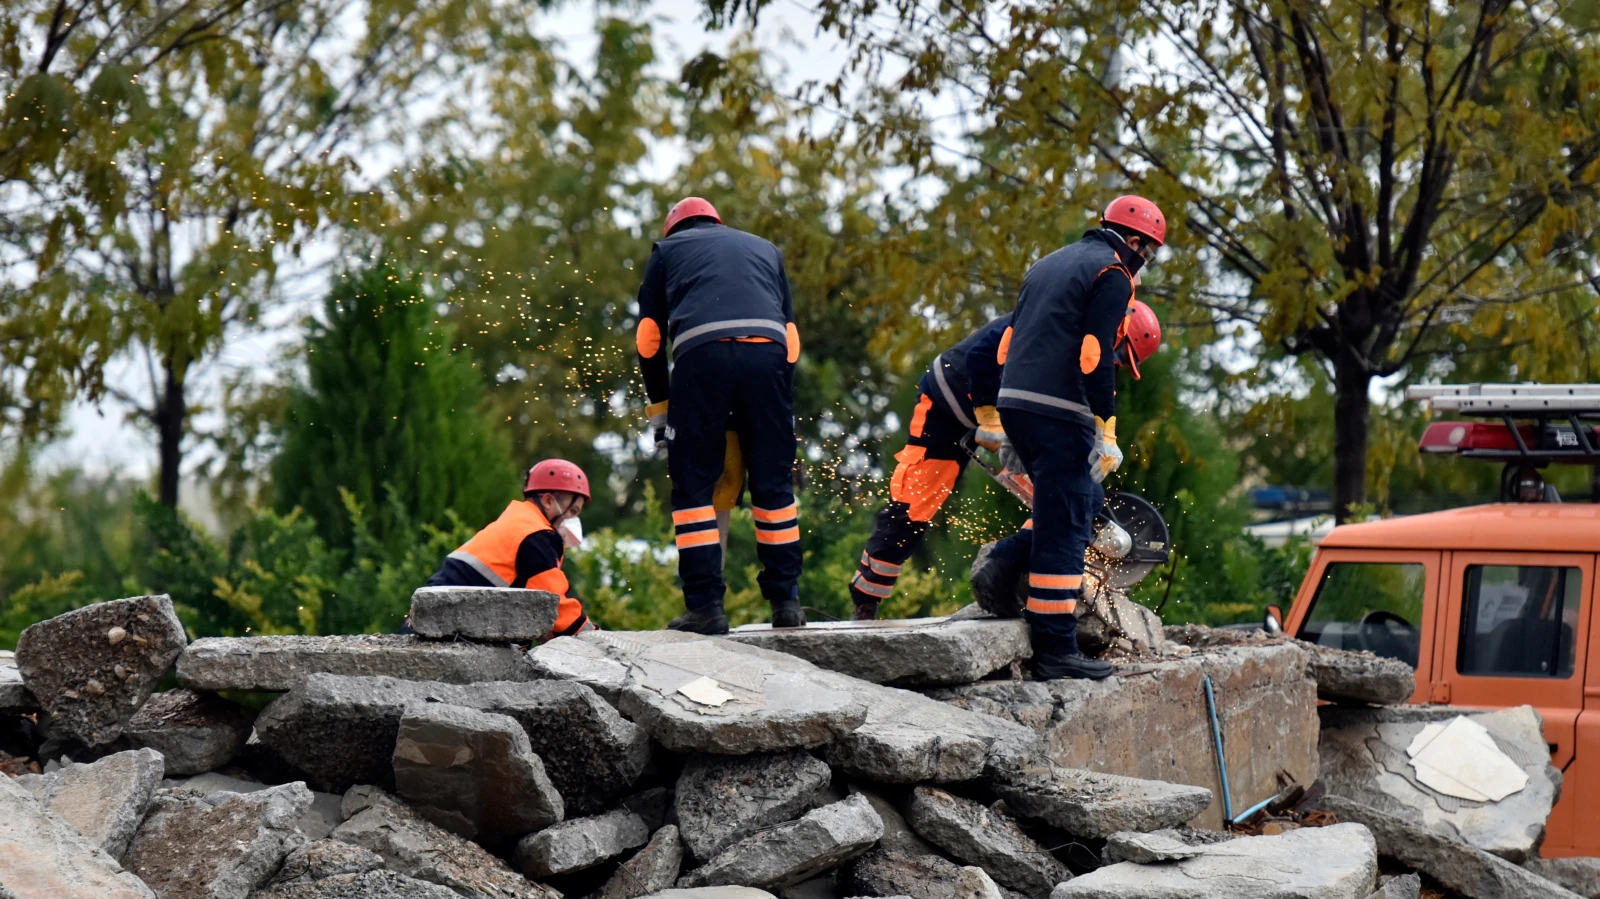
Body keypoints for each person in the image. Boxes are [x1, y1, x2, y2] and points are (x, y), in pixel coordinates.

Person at [971, 196, 1167, 681]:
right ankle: (1055, 647)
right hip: (1058, 410)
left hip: (1017, 402)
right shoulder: (1113, 273)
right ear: (1136, 241)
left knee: (1068, 507)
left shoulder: (1048, 264)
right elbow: (1095, 353)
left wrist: (1008, 417)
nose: (1147, 263)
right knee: (1070, 523)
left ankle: (1002, 563)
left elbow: (1010, 341)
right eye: (1151, 251)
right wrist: (1106, 425)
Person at [636, 197, 804, 635]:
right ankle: (787, 602)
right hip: (768, 358)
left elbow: (650, 340)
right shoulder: (766, 249)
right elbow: (791, 338)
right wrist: (778, 410)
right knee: (774, 484)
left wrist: (661, 417)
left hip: (701, 358)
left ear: (675, 229)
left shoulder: (666, 252)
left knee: (693, 486)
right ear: (717, 223)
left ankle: (706, 607)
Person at [846, 314, 1012, 620]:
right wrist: (988, 416)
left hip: (995, 409)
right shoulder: (1040, 315)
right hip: (946, 401)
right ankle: (866, 599)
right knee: (913, 508)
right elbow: (980, 355)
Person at [420, 458, 594, 637]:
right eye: (573, 511)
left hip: (436, 623)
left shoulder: (520, 524)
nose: (574, 520)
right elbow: (555, 606)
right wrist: (593, 636)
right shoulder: (537, 536)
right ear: (548, 501)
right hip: (450, 631)